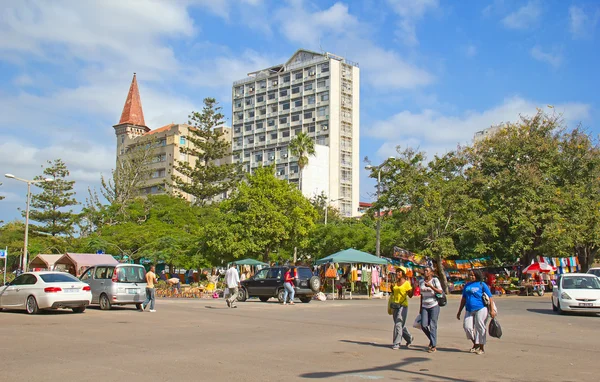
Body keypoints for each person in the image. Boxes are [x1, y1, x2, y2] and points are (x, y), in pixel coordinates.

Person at [457, 270, 496, 355]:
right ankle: (475, 343)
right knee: (467, 327)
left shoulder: (482, 284)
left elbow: (490, 297)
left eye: (473, 275)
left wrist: (492, 310)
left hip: (481, 308)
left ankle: (481, 347)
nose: (471, 277)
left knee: (480, 327)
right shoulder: (467, 286)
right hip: (469, 309)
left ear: (477, 276)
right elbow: (463, 299)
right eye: (470, 275)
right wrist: (459, 311)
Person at [388, 267, 414, 350]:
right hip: (395, 305)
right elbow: (393, 292)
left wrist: (411, 289)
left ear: (403, 273)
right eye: (396, 272)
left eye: (399, 272)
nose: (397, 274)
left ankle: (396, 343)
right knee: (399, 324)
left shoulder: (406, 283)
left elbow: (410, 295)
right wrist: (392, 288)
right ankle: (409, 337)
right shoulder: (396, 282)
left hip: (403, 305)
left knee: (398, 323)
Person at [419, 267, 443, 353]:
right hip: (425, 305)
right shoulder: (421, 281)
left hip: (434, 305)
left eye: (427, 271)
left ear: (431, 273)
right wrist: (420, 307)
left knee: (433, 325)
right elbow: (421, 295)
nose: (425, 272)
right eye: (424, 271)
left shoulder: (435, 280)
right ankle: (432, 339)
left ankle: (433, 345)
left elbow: (440, 291)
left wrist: (431, 286)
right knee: (423, 325)